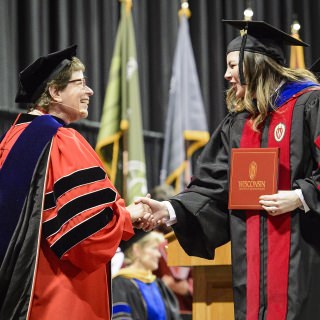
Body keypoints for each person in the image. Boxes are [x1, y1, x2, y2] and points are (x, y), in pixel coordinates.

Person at [137, 20, 320, 320]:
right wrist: (170, 209)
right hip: (249, 268)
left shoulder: (309, 104)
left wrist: (300, 196)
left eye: (233, 65)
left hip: (304, 257)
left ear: (255, 65)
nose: (226, 75)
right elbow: (213, 186)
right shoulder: (238, 124)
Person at [0, 45, 152, 320]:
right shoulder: (62, 141)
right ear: (55, 92)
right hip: (62, 295)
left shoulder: (11, 139)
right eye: (80, 83)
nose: (89, 91)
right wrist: (129, 215)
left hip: (20, 295)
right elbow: (87, 236)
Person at [112, 230, 182, 320]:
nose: (159, 255)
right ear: (136, 249)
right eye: (154, 248)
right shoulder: (119, 285)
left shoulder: (159, 285)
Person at [151, 185, 193, 320]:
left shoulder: (190, 238)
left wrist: (188, 288)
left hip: (192, 309)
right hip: (161, 309)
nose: (164, 221)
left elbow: (208, 276)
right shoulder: (148, 242)